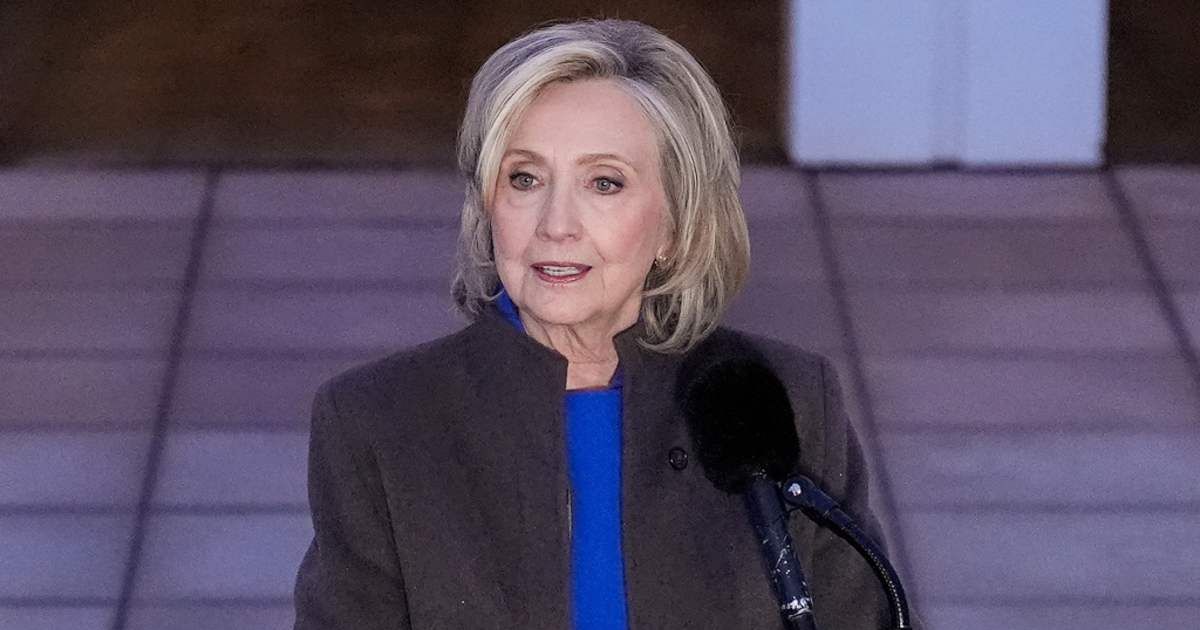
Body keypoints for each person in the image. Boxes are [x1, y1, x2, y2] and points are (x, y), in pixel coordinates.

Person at [294, 18, 904, 630]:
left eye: (604, 183)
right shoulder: (378, 422)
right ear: (487, 203)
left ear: (675, 222)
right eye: (524, 178)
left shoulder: (786, 400)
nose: (556, 224)